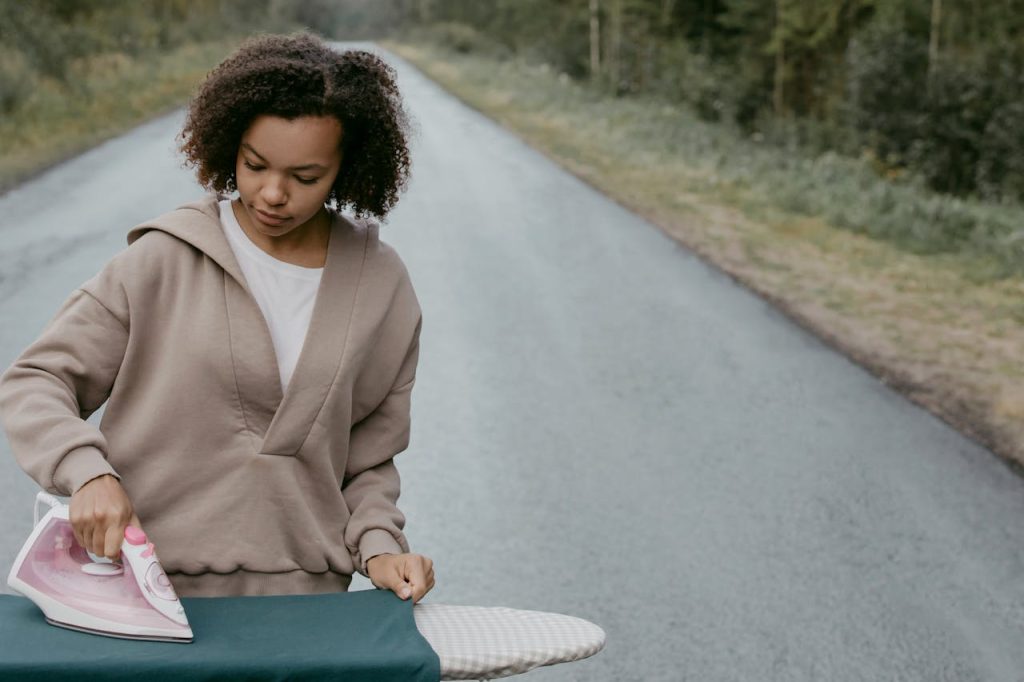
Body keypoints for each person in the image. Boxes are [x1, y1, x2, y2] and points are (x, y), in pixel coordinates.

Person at [0, 33, 435, 603]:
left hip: (307, 605)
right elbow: (36, 380)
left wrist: (380, 546)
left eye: (305, 178)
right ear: (229, 144)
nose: (273, 193)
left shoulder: (381, 285)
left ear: (346, 171)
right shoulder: (161, 259)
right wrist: (87, 472)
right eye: (254, 165)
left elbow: (369, 456)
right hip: (141, 592)